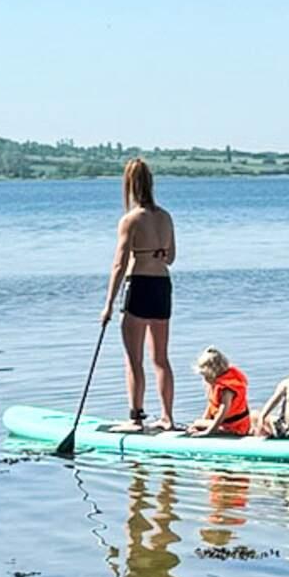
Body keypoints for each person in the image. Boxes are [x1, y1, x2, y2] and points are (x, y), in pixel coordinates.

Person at [101, 157, 176, 431]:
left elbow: (119, 265)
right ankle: (167, 418)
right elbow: (171, 258)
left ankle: (135, 417)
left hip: (139, 285)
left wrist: (108, 304)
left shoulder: (130, 220)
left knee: (134, 359)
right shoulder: (165, 217)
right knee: (160, 358)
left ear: (130, 185)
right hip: (162, 286)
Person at [186, 347, 251, 437]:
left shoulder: (226, 389)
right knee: (198, 423)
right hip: (229, 424)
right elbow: (211, 406)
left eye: (205, 376)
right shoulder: (219, 383)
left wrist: (209, 431)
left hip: (234, 426)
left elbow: (223, 411)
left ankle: (223, 431)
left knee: (197, 423)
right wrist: (202, 423)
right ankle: (205, 427)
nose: (204, 379)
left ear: (212, 373)